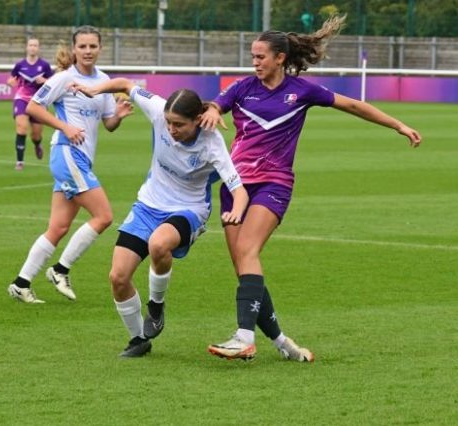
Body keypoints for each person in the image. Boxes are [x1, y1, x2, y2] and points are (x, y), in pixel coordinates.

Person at [200, 15, 422, 361]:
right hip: (234, 186)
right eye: (252, 56)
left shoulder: (301, 91)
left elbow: (353, 105)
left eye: (261, 56)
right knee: (245, 268)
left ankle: (244, 338)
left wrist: (398, 125)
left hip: (275, 183)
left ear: (280, 58)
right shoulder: (242, 88)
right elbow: (216, 103)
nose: (254, 62)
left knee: (248, 252)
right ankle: (283, 343)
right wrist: (212, 111)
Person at [71, 78, 249, 357]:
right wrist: (95, 89)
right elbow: (126, 84)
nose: (171, 129)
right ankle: (138, 340)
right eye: (168, 123)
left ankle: (156, 306)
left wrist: (237, 210)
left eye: (179, 125)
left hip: (188, 209)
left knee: (158, 244)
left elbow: (238, 189)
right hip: (148, 205)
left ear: (196, 121)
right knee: (118, 277)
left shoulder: (211, 143)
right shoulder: (158, 109)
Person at [6, 26, 133, 303]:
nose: (88, 51)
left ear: (100, 48)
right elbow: (33, 107)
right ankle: (60, 270)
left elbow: (108, 124)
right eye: (83, 46)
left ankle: (21, 283)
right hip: (67, 154)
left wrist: (120, 115)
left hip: (80, 159)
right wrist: (65, 127)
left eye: (93, 46)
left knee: (58, 227)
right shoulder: (64, 78)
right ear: (74, 50)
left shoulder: (103, 81)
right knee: (104, 216)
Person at [7, 37, 53, 171]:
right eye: (31, 45)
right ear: (27, 47)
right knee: (21, 128)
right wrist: (10, 82)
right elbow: (12, 78)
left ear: (38, 48)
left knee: (36, 135)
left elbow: (52, 82)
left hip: (39, 100)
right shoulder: (20, 65)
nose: (33, 47)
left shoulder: (44, 65)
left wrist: (44, 80)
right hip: (22, 98)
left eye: (35, 45)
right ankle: (19, 162)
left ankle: (37, 144)